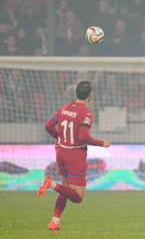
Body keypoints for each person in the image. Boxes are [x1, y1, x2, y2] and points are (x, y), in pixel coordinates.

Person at [37, 81, 110, 230]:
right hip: (75, 156)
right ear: (90, 95)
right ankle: (51, 184)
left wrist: (59, 138)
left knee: (65, 189)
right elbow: (83, 136)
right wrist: (102, 143)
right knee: (77, 197)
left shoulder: (64, 108)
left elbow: (48, 126)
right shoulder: (87, 113)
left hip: (61, 152)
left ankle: (54, 222)